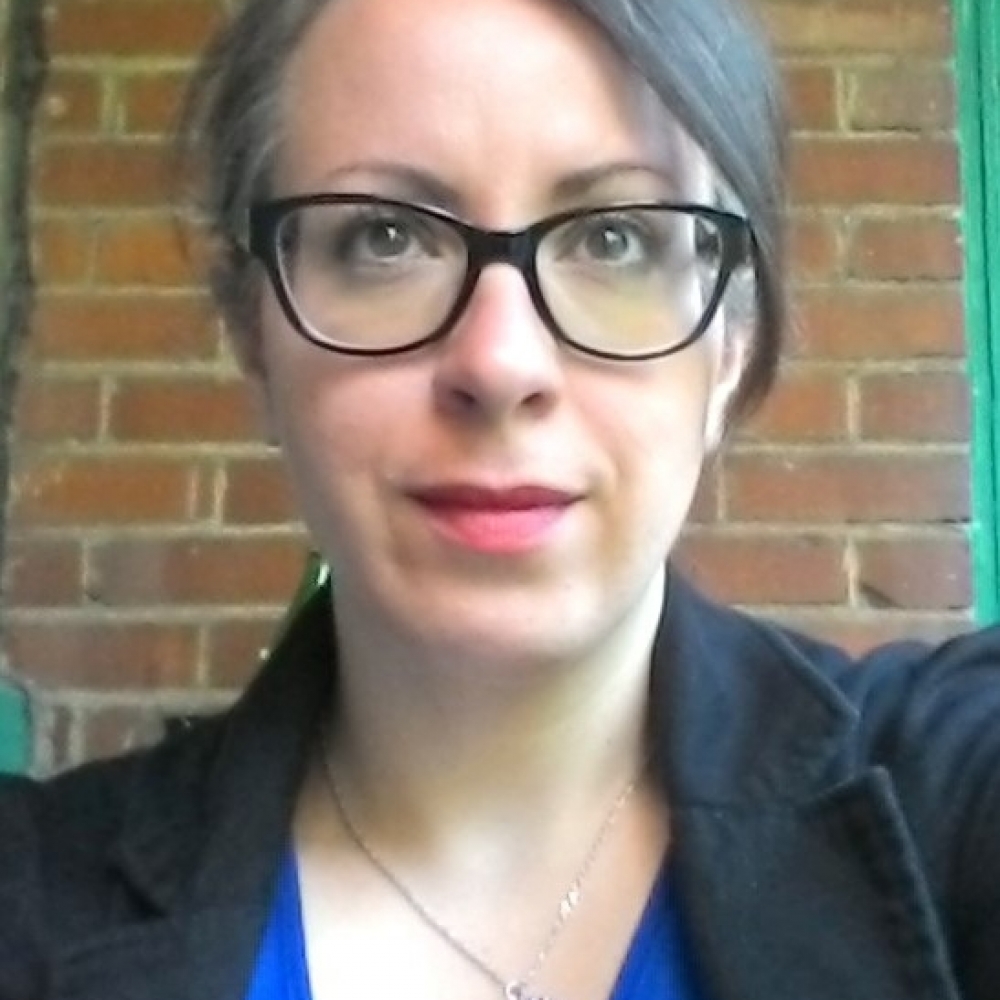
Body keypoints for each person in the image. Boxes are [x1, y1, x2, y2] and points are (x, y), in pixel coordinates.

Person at [0, 0, 997, 997]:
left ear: (727, 351)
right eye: (385, 237)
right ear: (254, 336)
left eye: (614, 239)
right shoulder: (31, 898)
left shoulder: (948, 802)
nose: (500, 362)